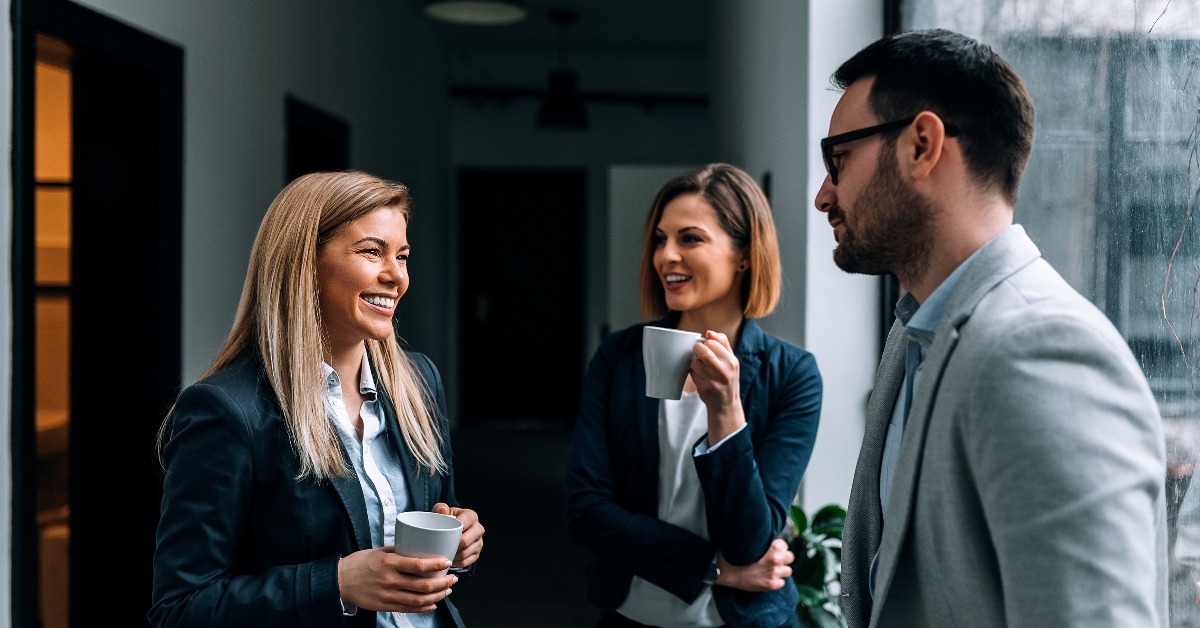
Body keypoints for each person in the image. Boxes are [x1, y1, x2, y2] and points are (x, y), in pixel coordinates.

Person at [813, 29, 1168, 627]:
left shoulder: (1044, 351)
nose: (825, 194)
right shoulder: (914, 334)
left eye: (839, 159)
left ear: (922, 144)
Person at [149, 170, 484, 628]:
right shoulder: (228, 411)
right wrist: (339, 583)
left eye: (402, 257)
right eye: (372, 251)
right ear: (303, 263)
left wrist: (460, 542)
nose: (396, 277)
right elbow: (180, 609)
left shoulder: (419, 383)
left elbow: (439, 518)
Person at [565, 163, 823, 628]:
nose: (666, 256)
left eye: (690, 238)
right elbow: (586, 511)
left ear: (743, 255)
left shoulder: (792, 375)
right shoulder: (619, 356)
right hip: (629, 615)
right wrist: (712, 568)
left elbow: (751, 541)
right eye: (660, 239)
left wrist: (726, 408)